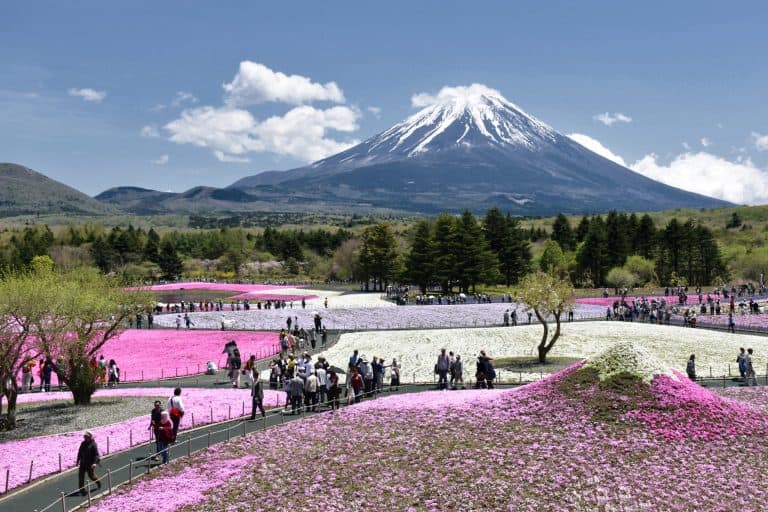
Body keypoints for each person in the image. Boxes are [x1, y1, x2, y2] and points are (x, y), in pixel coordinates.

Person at [76, 431, 101, 495]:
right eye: (84, 436)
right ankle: (82, 490)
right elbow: (79, 452)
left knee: (91, 476)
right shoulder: (83, 443)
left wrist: (95, 463)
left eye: (86, 436)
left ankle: (98, 482)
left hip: (90, 464)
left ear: (90, 437)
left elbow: (96, 455)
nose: (84, 438)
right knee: (81, 476)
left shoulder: (93, 444)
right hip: (83, 462)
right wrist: (77, 461)